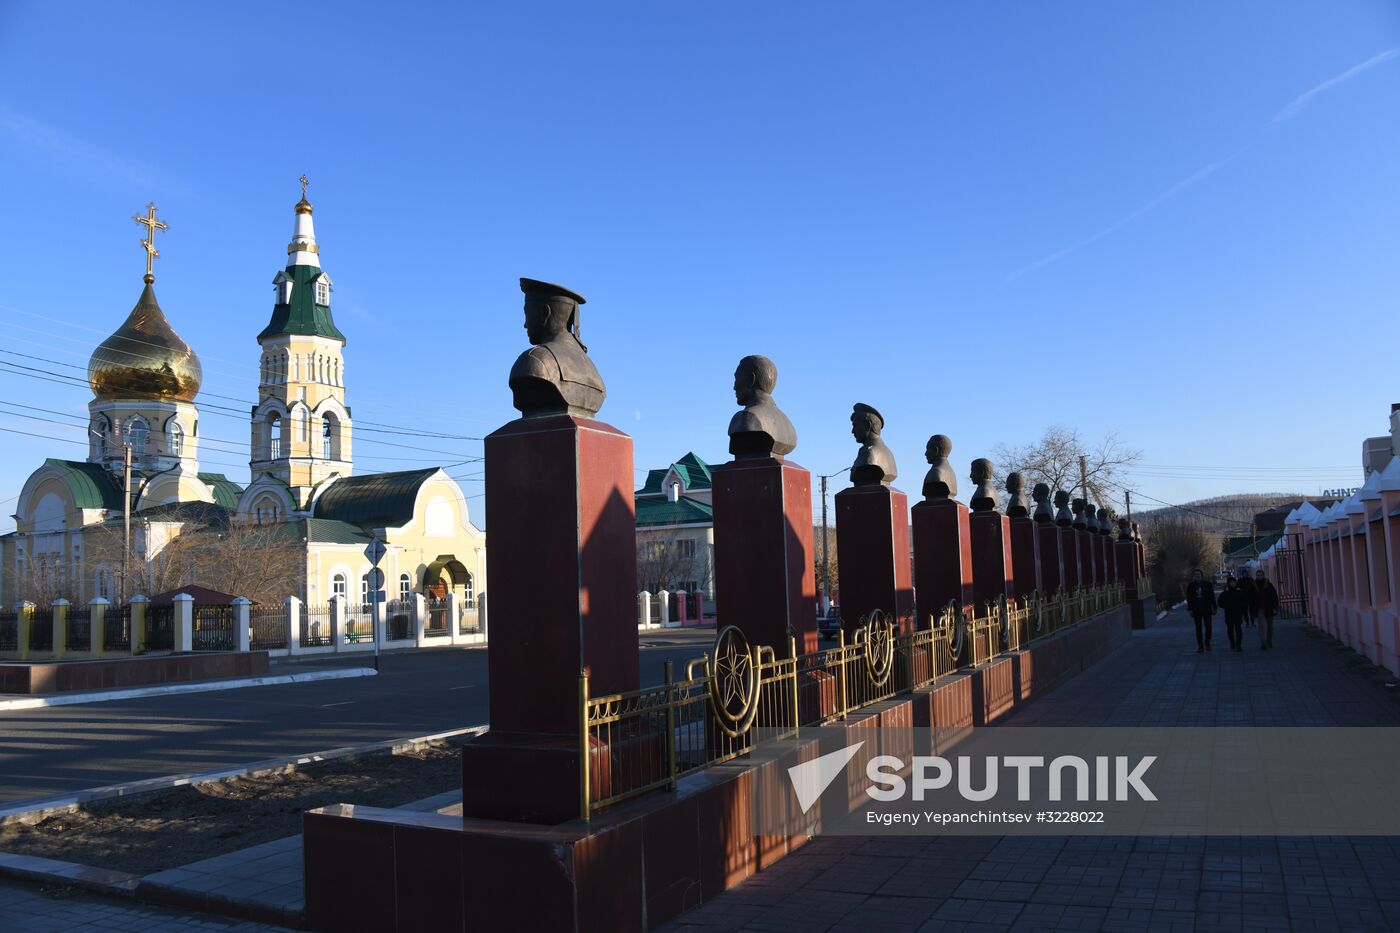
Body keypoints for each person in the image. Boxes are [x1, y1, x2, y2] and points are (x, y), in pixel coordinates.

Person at [1185, 569, 1216, 653]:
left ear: (1202, 576)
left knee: (1208, 627)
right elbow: (1189, 598)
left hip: (1206, 609)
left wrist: (1214, 607)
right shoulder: (1191, 586)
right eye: (1195, 574)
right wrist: (1190, 609)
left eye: (1198, 574)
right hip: (1196, 610)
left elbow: (1212, 596)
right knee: (1198, 629)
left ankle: (1207, 643)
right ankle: (1200, 646)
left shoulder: (1207, 584)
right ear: (1193, 576)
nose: (1197, 576)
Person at [1218, 576, 1248, 651]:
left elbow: (1244, 601)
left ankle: (1238, 644)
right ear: (1228, 583)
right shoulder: (1225, 593)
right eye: (1231, 582)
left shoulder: (1239, 592)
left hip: (1238, 613)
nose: (1232, 584)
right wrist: (1226, 606)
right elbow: (1220, 603)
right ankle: (1232, 642)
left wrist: (1242, 607)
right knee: (1230, 629)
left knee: (1238, 629)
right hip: (1229, 614)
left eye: (1234, 582)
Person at [1255, 571, 1280, 649]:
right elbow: (1251, 598)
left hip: (1269, 608)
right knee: (1261, 626)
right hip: (1259, 608)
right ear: (1256, 576)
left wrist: (1275, 607)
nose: (1259, 577)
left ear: (1263, 575)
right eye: (1258, 575)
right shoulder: (1253, 585)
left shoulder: (1269, 585)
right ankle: (1263, 643)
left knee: (1270, 626)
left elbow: (1274, 596)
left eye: (1261, 575)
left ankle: (1269, 641)